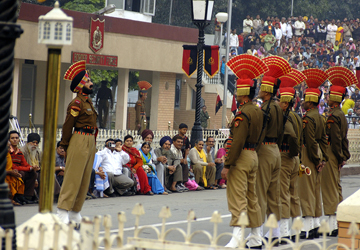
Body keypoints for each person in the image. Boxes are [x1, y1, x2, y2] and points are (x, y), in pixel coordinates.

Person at [221, 55, 267, 248]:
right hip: (253, 155)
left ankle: (237, 237)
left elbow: (237, 141)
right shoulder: (258, 110)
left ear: (244, 94)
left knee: (238, 197)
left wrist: (227, 164)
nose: (236, 95)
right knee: (252, 196)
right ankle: (256, 236)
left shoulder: (243, 113)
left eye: (238, 92)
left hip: (241, 157)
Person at [57, 60, 97, 225]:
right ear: (81, 85)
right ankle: (62, 211)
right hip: (79, 138)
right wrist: (64, 145)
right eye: (88, 81)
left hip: (90, 139)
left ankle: (75, 211)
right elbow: (68, 126)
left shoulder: (88, 102)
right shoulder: (77, 103)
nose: (91, 83)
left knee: (84, 178)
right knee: (73, 177)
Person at [321, 68, 353, 237]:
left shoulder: (333, 116)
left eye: (329, 96)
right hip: (338, 154)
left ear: (334, 98)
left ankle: (332, 225)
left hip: (332, 154)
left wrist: (338, 157)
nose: (326, 98)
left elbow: (335, 139)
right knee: (335, 187)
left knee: (329, 189)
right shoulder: (340, 114)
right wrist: (344, 156)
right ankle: (337, 222)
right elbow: (344, 139)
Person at [299, 69, 329, 239]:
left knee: (306, 190)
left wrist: (316, 159)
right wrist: (323, 158)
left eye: (304, 99)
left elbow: (310, 142)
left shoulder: (308, 119)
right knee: (315, 190)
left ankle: (308, 228)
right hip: (317, 154)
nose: (302, 102)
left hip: (309, 155)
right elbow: (323, 140)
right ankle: (316, 225)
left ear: (310, 102)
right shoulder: (320, 117)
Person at [277, 79, 303, 241]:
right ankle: (296, 228)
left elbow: (292, 136)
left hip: (286, 156)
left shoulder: (286, 117)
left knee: (283, 194)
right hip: (294, 158)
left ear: (286, 103)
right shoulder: (298, 116)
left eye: (280, 100)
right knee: (294, 194)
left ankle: (285, 230)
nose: (279, 103)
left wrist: (292, 152)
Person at [8, 131, 38, 204]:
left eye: (16, 138)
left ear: (19, 140)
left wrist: (32, 167)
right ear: (9, 140)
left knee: (33, 173)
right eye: (12, 138)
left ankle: (28, 196)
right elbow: (12, 166)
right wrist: (29, 168)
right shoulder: (8, 150)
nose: (15, 140)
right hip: (10, 170)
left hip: (18, 170)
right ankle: (17, 196)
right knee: (21, 173)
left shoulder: (19, 151)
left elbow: (24, 163)